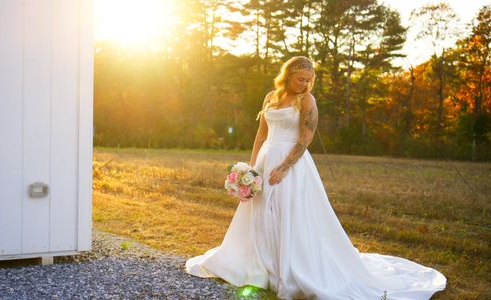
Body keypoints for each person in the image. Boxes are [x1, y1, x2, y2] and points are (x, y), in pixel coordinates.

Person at [185, 56, 447, 299]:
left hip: (292, 165)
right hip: (266, 159)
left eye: (309, 80)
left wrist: (286, 166)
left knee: (289, 213)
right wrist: (252, 168)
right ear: (288, 76)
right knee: (262, 211)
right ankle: (257, 266)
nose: (305, 83)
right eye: (300, 78)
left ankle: (288, 267)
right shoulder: (270, 97)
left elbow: (306, 138)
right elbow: (261, 135)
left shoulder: (307, 101)